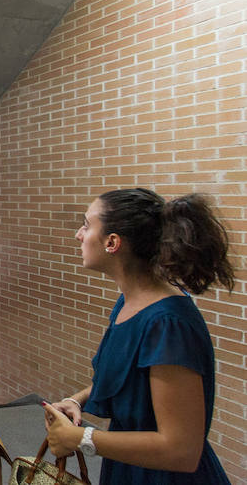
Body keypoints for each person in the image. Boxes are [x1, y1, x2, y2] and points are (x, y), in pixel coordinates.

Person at [43, 189, 234, 484]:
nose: (79, 235)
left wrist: (82, 438)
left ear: (112, 242)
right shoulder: (127, 304)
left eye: (86, 225)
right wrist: (77, 400)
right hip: (128, 470)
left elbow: (182, 450)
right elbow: (127, 383)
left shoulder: (168, 324)